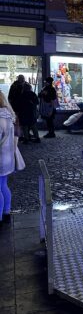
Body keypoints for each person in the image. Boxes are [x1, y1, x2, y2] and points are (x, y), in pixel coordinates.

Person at [0, 91, 16, 228]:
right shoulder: (8, 115)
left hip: (0, 158)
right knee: (3, 185)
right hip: (7, 158)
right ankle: (6, 211)